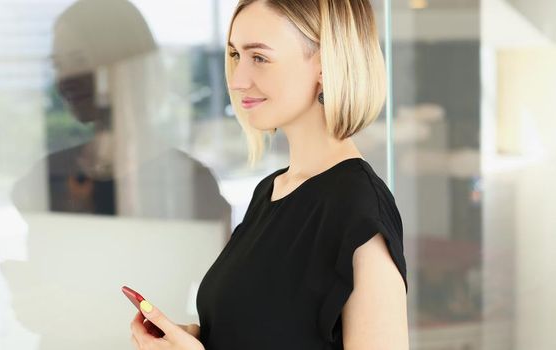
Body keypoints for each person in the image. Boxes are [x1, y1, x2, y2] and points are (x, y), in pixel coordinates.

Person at [127, 0, 409, 349]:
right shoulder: (269, 192)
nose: (239, 80)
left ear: (325, 63)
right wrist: (197, 338)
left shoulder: (359, 209)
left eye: (259, 57)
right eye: (234, 56)